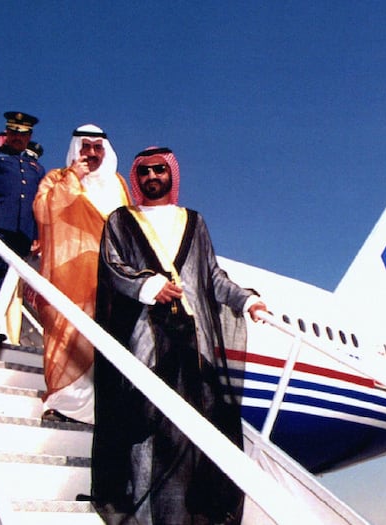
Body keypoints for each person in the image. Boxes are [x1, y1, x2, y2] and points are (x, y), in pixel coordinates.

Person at [92, 146, 267, 525]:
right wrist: (150, 285)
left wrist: (247, 300)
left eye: (160, 170)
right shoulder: (121, 220)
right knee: (147, 427)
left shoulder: (194, 221)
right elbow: (112, 267)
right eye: (145, 172)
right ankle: (143, 516)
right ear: (136, 178)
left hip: (194, 341)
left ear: (171, 174)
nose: (152, 177)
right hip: (145, 338)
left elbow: (212, 277)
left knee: (192, 433)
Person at [33, 124, 131, 424]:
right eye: (84, 147)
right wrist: (73, 176)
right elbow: (43, 210)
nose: (90, 153)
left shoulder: (118, 184)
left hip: (108, 280)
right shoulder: (58, 178)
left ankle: (101, 411)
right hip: (67, 277)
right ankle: (63, 403)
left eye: (97, 147)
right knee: (66, 339)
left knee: (105, 342)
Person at [0, 112, 45, 342]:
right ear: (7, 133)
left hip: (21, 230)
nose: (17, 138)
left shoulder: (35, 167)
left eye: (23, 134)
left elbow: (36, 202)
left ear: (29, 136)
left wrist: (36, 233)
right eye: (13, 132)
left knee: (7, 280)